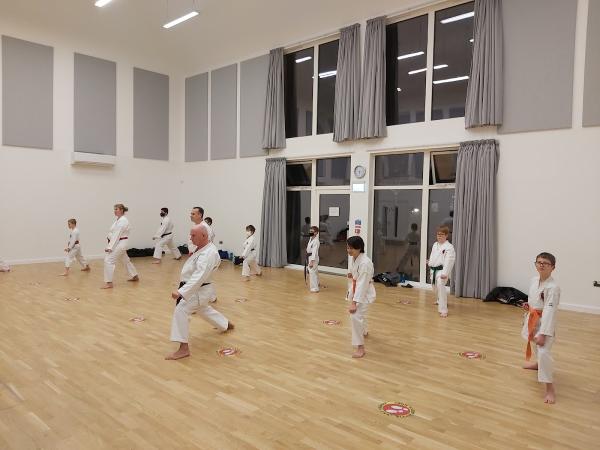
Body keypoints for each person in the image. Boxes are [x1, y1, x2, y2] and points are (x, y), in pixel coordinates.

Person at [165, 224, 234, 360]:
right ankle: (225, 324)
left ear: (204, 236)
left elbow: (199, 275)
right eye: (190, 235)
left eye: (193, 235)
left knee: (181, 310)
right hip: (199, 290)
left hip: (198, 290)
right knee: (203, 309)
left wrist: (182, 292)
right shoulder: (203, 248)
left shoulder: (209, 253)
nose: (190, 238)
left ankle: (183, 349)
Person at [522, 252, 560, 404]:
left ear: (553, 268)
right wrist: (529, 306)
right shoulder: (534, 280)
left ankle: (550, 389)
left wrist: (543, 333)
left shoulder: (553, 287)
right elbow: (534, 299)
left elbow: (550, 311)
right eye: (539, 262)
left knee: (544, 352)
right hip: (533, 318)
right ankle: (537, 364)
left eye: (546, 263)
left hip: (545, 323)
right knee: (534, 343)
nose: (542, 265)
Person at [346, 236, 376, 358]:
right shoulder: (356, 258)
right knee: (359, 314)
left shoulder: (365, 263)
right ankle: (363, 331)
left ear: (359, 248)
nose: (348, 250)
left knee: (355, 316)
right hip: (357, 288)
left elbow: (362, 285)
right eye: (347, 248)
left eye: (351, 248)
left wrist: (354, 302)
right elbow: (357, 275)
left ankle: (360, 347)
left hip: (363, 292)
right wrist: (352, 273)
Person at [102, 204, 139, 289]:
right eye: (114, 209)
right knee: (125, 260)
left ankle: (109, 283)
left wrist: (110, 247)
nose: (115, 211)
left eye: (116, 209)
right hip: (120, 243)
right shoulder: (118, 220)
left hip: (120, 243)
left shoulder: (123, 221)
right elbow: (113, 233)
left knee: (108, 260)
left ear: (122, 210)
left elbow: (116, 235)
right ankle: (135, 276)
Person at [188, 207, 217, 302]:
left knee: (198, 277)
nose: (191, 215)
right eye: (191, 213)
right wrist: (191, 251)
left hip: (203, 255)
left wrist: (196, 251)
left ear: (200, 215)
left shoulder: (205, 227)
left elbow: (207, 241)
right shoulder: (197, 226)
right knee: (203, 277)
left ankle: (194, 300)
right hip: (196, 254)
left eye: (193, 214)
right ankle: (212, 297)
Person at [427, 226, 455, 317]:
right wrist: (430, 262)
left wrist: (445, 273)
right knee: (435, 287)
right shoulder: (435, 244)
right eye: (438, 234)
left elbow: (449, 261)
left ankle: (443, 310)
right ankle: (439, 300)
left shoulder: (449, 247)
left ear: (446, 235)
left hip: (442, 271)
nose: (439, 236)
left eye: (442, 234)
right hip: (434, 270)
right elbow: (433, 255)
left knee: (440, 285)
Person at [306, 226, 320, 293]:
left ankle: (315, 288)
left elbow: (314, 252)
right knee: (315, 271)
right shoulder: (311, 238)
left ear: (316, 233)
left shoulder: (316, 241)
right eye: (310, 231)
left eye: (312, 232)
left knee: (312, 272)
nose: (310, 232)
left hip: (313, 258)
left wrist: (311, 261)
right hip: (309, 256)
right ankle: (317, 283)